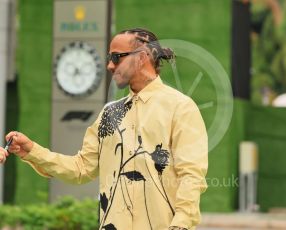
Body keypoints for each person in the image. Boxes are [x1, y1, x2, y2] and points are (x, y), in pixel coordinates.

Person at [0, 28, 208, 230]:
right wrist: (32, 151)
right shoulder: (109, 113)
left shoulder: (180, 107)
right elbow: (81, 168)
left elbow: (191, 176)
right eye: (110, 57)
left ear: (142, 56)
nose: (110, 65)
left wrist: (180, 224)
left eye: (117, 57)